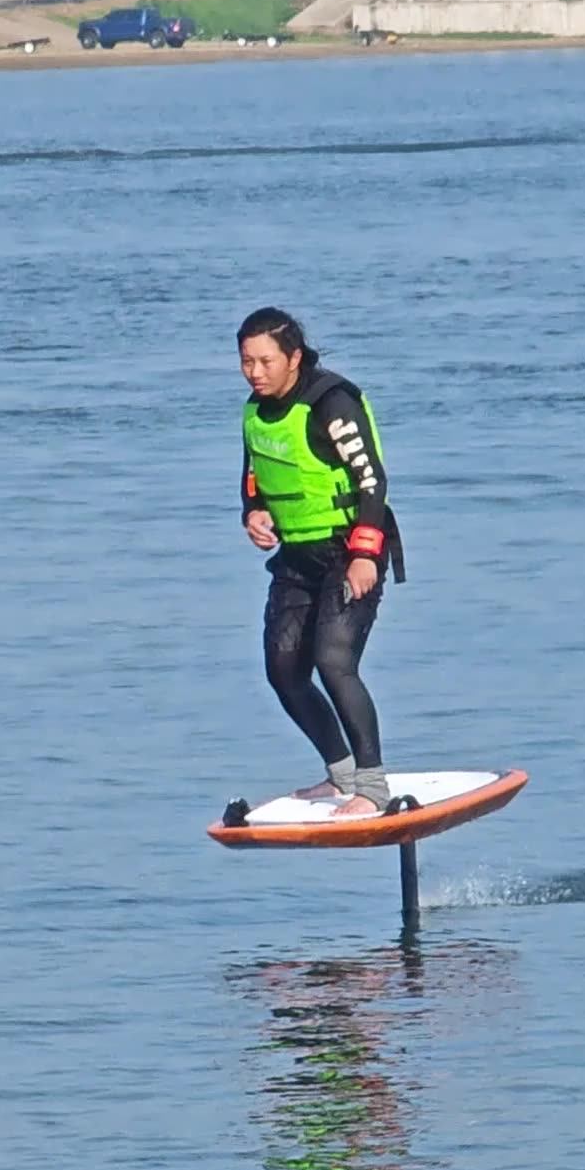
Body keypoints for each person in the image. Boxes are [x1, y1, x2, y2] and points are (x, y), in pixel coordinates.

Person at [236, 304, 401, 817]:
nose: (255, 373)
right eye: (246, 362)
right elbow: (254, 476)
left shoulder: (331, 403)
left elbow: (372, 480)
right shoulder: (255, 411)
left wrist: (365, 554)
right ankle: (341, 775)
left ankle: (372, 789)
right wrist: (253, 512)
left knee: (333, 660)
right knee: (284, 671)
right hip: (297, 559)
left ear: (294, 357)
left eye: (265, 361)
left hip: (349, 551)